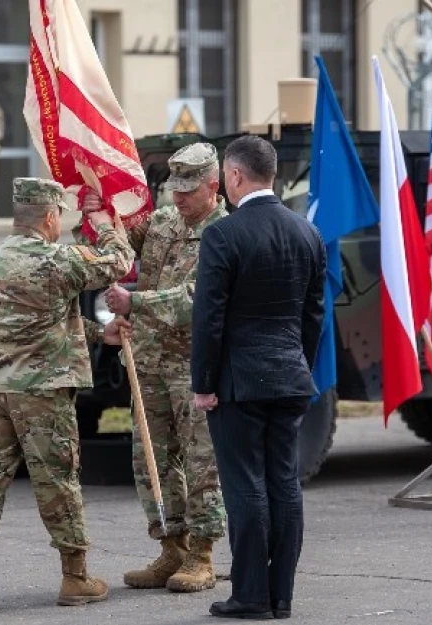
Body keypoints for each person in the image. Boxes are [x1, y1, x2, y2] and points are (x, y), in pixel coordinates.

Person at [0, 178, 133, 612]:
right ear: (49, 218)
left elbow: (32, 321)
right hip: (41, 393)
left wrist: (96, 334)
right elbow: (118, 260)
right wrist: (103, 222)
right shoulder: (56, 261)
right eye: (59, 218)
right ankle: (75, 577)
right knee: (58, 482)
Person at [190, 135, 325, 620]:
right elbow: (314, 316)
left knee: (245, 485)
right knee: (284, 485)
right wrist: (299, 367)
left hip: (239, 384)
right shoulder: (306, 233)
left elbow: (209, 318)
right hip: (289, 377)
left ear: (235, 176)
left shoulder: (223, 235)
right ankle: (281, 595)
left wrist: (203, 383)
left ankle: (250, 595)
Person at [107, 143, 227, 593]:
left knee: (201, 462)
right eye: (173, 188)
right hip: (149, 360)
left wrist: (135, 301)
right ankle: (171, 546)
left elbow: (199, 299)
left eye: (188, 190)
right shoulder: (161, 221)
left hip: (193, 365)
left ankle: (202, 554)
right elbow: (122, 243)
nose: (177, 197)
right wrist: (102, 214)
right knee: (150, 459)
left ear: (213, 186)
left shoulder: (225, 233)